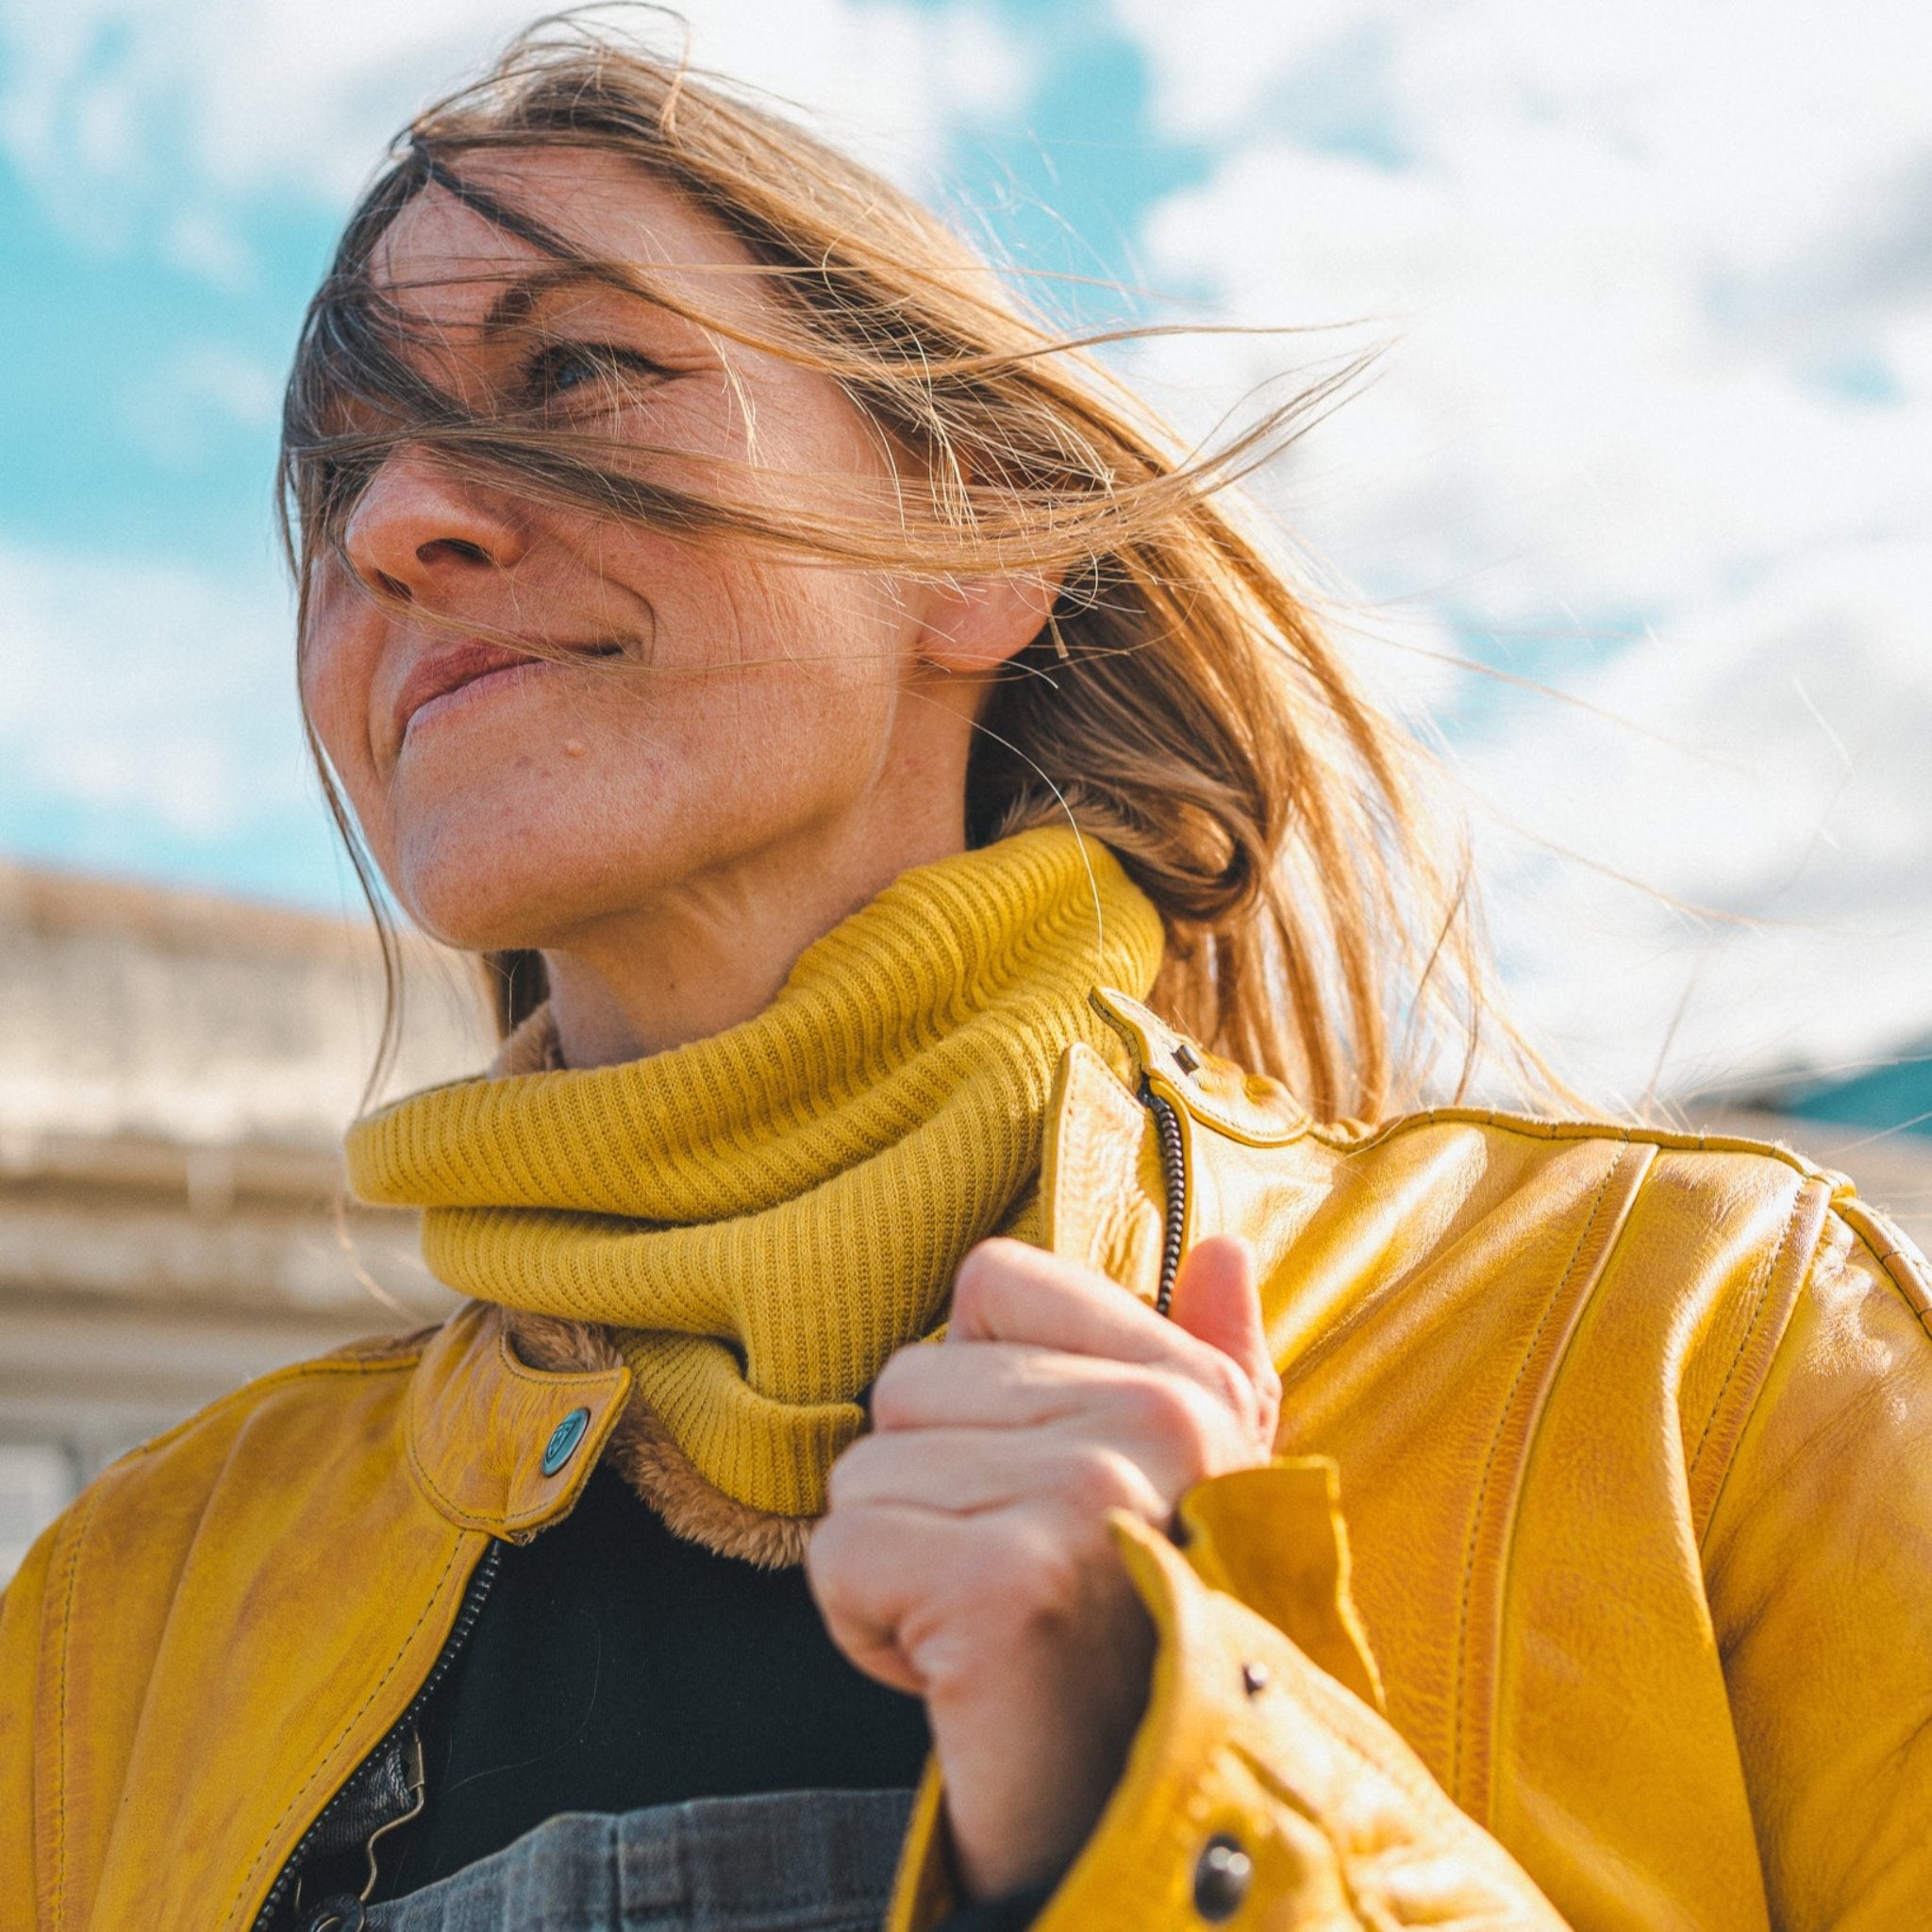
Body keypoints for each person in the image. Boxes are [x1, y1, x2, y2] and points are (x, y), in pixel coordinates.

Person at [4, 16, 1930, 1932]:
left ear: (972, 537)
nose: (400, 526)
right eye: (333, 486)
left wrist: (1183, 1788)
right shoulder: (117, 1616)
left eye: (573, 366)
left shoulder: (1701, 1351)